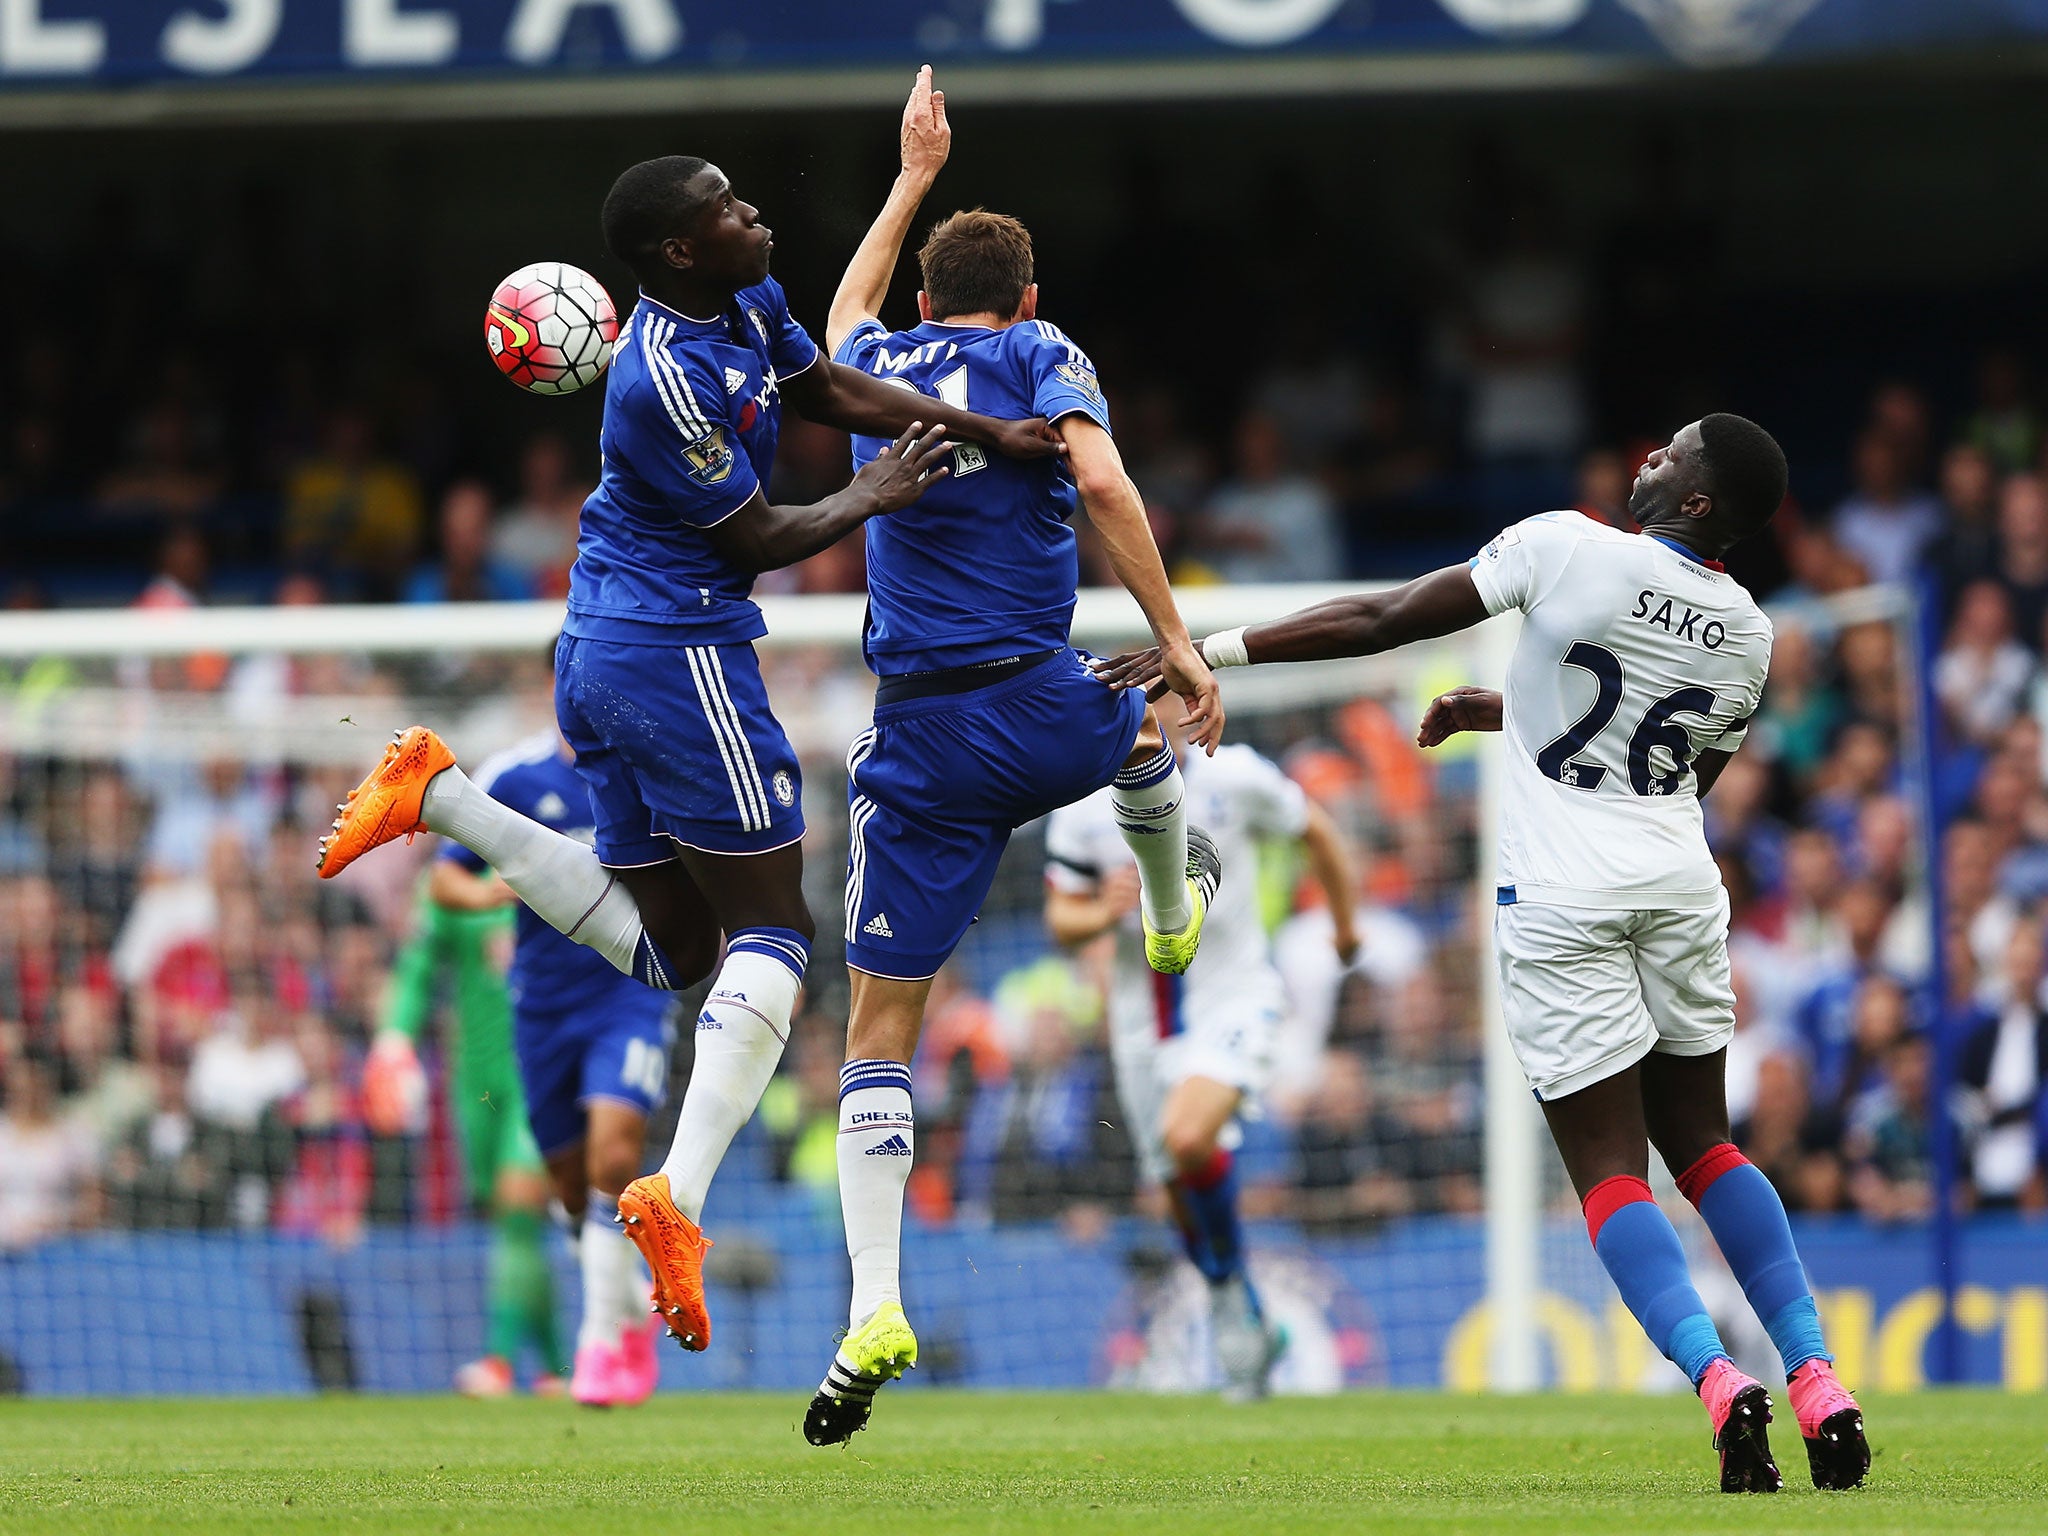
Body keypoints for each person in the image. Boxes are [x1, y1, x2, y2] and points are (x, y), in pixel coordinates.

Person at [315, 146, 1061, 1361]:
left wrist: (978, 428)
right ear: (676, 249)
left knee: (676, 952)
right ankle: (676, 1194)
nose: (751, 210)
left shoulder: (747, 300)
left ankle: (440, 795)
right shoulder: (653, 375)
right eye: (725, 206)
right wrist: (873, 500)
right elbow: (761, 532)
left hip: (608, 648)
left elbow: (827, 392)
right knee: (775, 934)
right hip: (676, 649)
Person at [1098, 415, 1870, 1493]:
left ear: (1698, 501)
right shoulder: (1748, 631)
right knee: (1703, 1145)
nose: (1648, 455)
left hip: (1562, 892)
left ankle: (1712, 1380)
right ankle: (1814, 1378)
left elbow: (1383, 616)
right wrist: (1509, 712)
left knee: (1608, 1170)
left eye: (1675, 454)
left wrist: (1204, 653)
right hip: (1677, 882)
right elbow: (1665, 759)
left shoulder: (1566, 543)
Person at [802, 67, 1222, 1445]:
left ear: (927, 304)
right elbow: (1100, 481)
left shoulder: (881, 357)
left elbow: (836, 320)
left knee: (880, 1034)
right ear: (1025, 304)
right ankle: (1169, 914)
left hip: (916, 736)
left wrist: (912, 172)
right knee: (1145, 723)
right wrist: (1181, 636)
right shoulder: (1041, 356)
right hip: (1035, 703)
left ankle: (873, 1301)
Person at [1044, 726, 1358, 1399]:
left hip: (1236, 996)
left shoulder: (1235, 777)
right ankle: (1235, 1305)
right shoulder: (1078, 804)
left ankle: (1230, 1299)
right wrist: (1104, 910)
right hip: (1141, 1027)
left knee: (1187, 1137)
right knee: (1173, 1187)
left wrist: (1346, 924)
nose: (1156, 715)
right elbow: (1060, 919)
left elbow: (1315, 830)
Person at [426, 714, 679, 1407]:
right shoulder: (514, 776)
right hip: (542, 1011)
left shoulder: (647, 768)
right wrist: (487, 894)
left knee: (612, 1154)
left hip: (631, 992)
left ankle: (600, 1344)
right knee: (569, 1190)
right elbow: (444, 880)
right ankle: (627, 1304)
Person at [371, 877, 568, 1398]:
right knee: (513, 1224)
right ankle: (555, 1370)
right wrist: (394, 1042)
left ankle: (498, 1363)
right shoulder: (454, 883)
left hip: (540, 1075)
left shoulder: (551, 866)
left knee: (520, 1204)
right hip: (477, 1088)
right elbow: (416, 969)